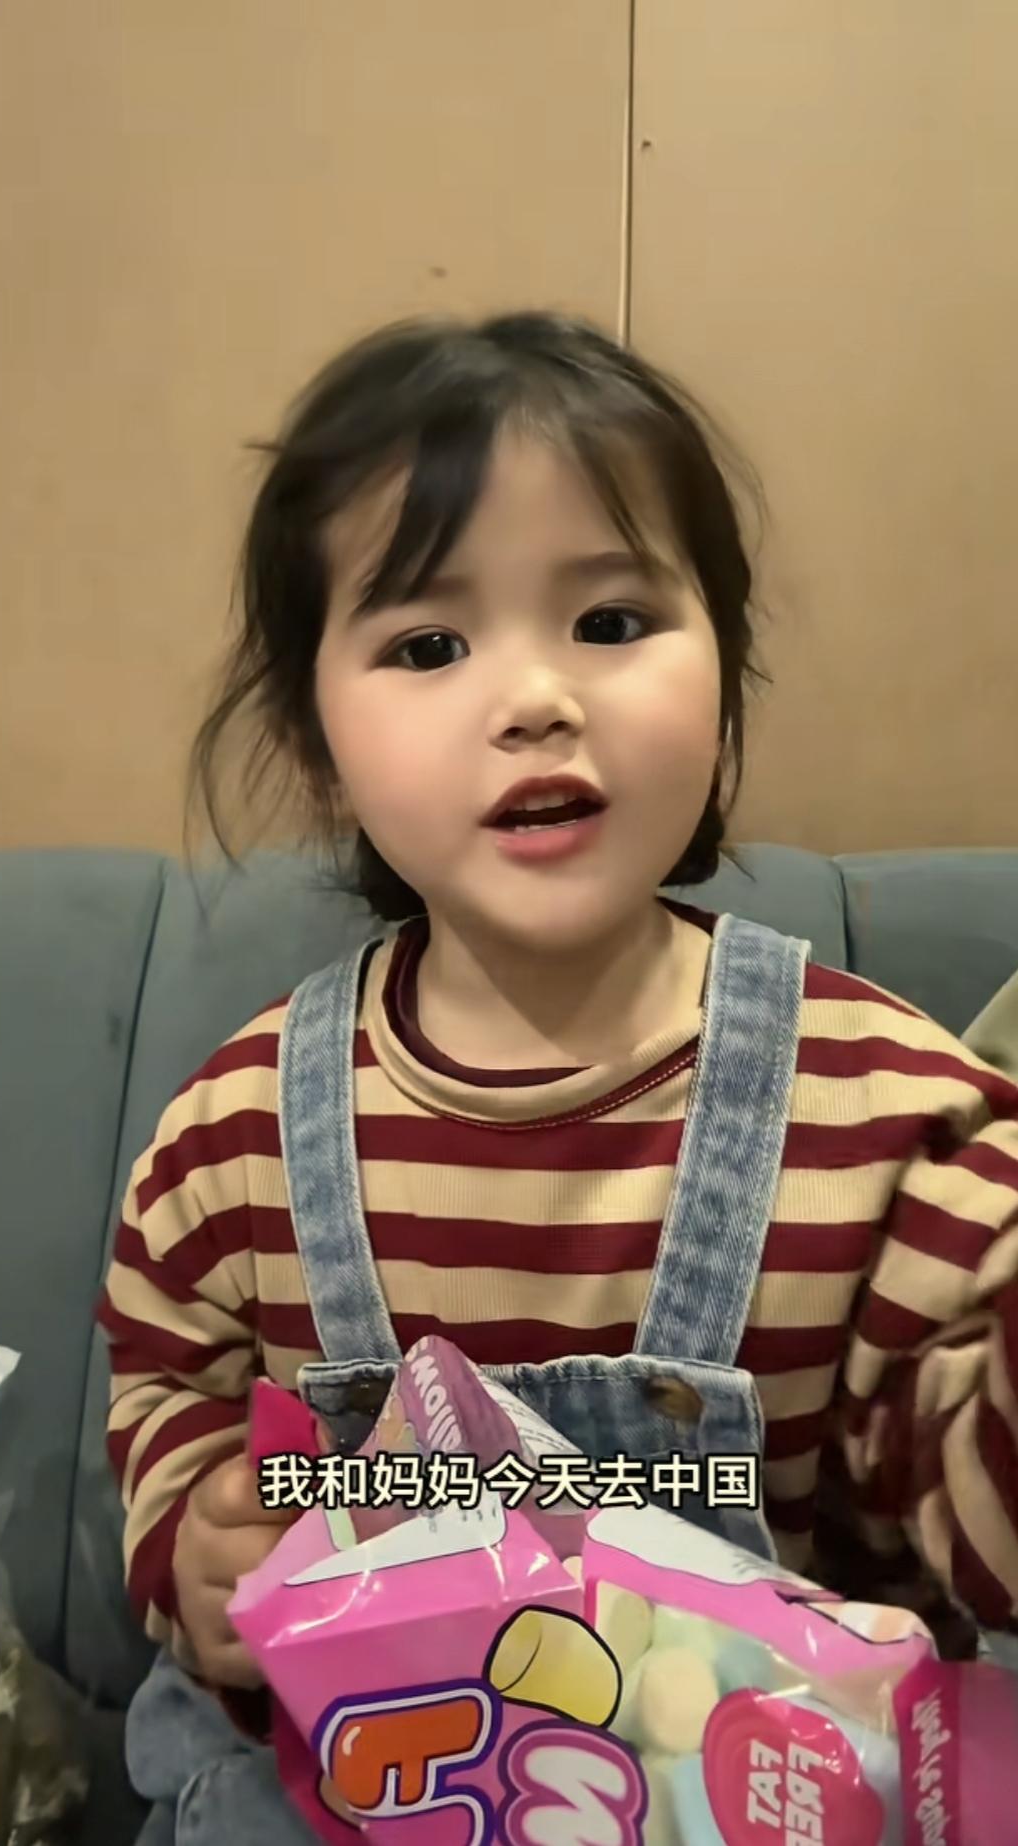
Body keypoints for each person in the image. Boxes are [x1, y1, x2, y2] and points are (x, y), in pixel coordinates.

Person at [98, 310, 1018, 1842]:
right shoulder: (231, 1144)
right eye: (429, 645)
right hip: (379, 1774)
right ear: (318, 745)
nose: (534, 697)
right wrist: (195, 1549)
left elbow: (983, 1537)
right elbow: (169, 1405)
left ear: (725, 674)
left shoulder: (890, 1122)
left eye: (610, 619)